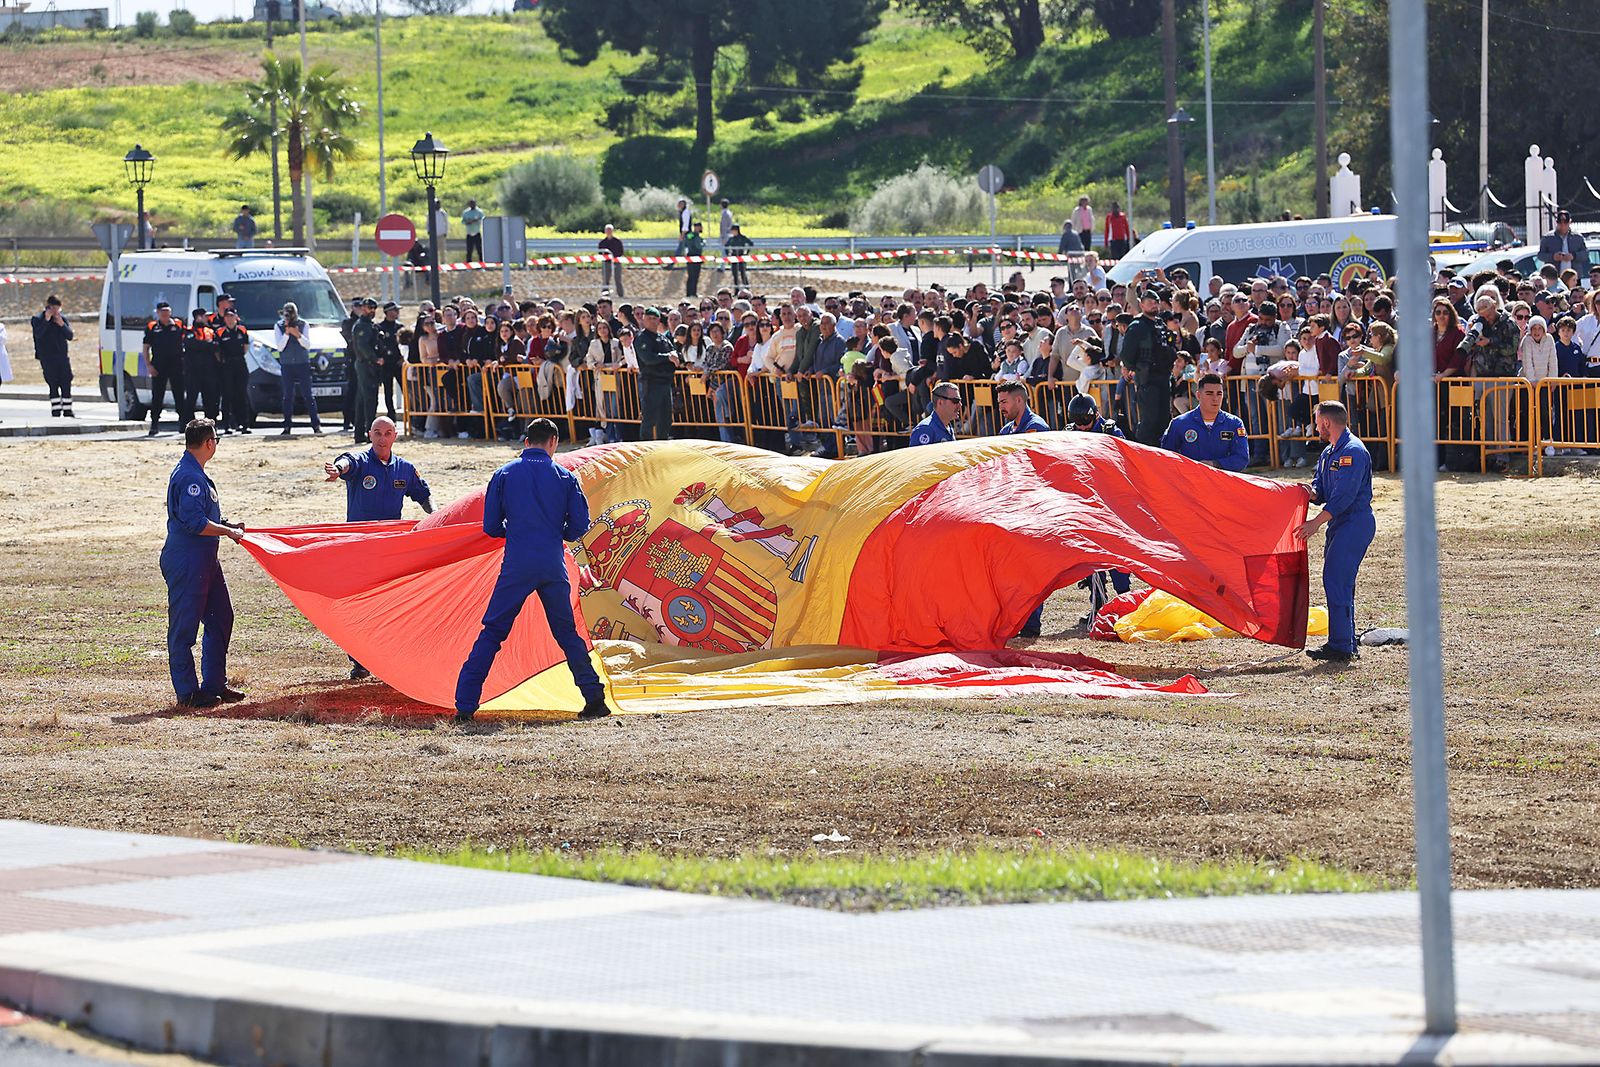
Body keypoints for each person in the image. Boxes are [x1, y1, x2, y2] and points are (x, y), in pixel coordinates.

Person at [453, 418, 612, 723]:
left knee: (493, 632)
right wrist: (556, 533)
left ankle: (466, 704)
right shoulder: (565, 477)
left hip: (517, 564)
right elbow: (579, 524)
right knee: (566, 633)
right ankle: (594, 698)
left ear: (526, 442)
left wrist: (516, 531)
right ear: (554, 442)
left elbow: (490, 526)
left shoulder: (504, 474)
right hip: (552, 565)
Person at [324, 416, 433, 679]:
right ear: (370, 435)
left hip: (391, 550)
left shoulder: (405, 469)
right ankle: (360, 659)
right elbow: (346, 462)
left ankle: (388, 656)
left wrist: (437, 517)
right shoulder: (361, 462)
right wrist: (337, 469)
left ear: (395, 435)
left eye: (387, 433)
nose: (382, 438)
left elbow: (423, 496)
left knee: (390, 603)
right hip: (360, 548)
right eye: (377, 433)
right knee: (359, 603)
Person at [161, 418, 248, 709]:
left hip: (205, 561)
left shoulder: (195, 472)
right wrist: (227, 532)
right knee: (184, 628)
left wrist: (227, 525)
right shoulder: (190, 477)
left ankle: (214, 684)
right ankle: (187, 692)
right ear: (209, 443)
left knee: (221, 618)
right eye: (216, 440)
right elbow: (195, 523)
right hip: (188, 560)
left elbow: (203, 516)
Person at [1294, 401, 1374, 665]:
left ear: (1326, 422)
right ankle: (1345, 641)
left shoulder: (1352, 451)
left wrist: (1315, 523)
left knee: (1336, 580)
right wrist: (1310, 492)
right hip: (1341, 524)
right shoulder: (1329, 452)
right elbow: (1322, 488)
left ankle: (1341, 646)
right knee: (1339, 581)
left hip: (1354, 522)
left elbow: (1344, 497)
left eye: (1318, 422)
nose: (1316, 427)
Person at [997, 381, 1052, 636]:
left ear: (1019, 400)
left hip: (1031, 507)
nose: (1001, 407)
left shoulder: (1035, 428)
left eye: (1004, 402)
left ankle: (1030, 623)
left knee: (1030, 568)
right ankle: (1016, 620)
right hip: (1011, 506)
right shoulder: (1006, 431)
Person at [1119, 284, 1176, 445]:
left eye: (1156, 302)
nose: (1153, 305)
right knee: (1149, 420)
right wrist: (1136, 369)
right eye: (1149, 302)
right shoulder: (1137, 326)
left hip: (1163, 377)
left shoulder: (1160, 324)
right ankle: (1143, 453)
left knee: (1163, 419)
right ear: (1141, 305)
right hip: (1147, 379)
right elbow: (1127, 355)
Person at [1160, 372, 1249, 471]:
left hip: (1221, 479)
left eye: (1219, 394)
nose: (1215, 398)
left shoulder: (1234, 424)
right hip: (1190, 478)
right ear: (1198, 395)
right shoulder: (1179, 423)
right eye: (1209, 393)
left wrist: (1215, 464)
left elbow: (1242, 458)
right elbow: (1167, 457)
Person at [274, 301, 323, 436]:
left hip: (302, 364)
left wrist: (297, 335)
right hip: (287, 365)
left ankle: (316, 424)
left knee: (308, 395)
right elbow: (280, 347)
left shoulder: (303, 324)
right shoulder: (278, 326)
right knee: (288, 396)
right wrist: (287, 333)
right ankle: (287, 425)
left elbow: (307, 344)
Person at [143, 301, 189, 434]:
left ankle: (183, 424)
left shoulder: (178, 325)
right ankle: (154, 425)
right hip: (159, 366)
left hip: (176, 365)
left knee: (179, 396)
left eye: (167, 312)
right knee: (157, 396)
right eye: (162, 312)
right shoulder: (152, 327)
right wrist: (149, 365)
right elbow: (146, 347)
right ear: (157, 313)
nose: (165, 314)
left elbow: (186, 342)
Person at [635, 306, 679, 440]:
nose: (652, 321)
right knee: (649, 418)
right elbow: (648, 358)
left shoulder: (662, 338)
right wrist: (667, 358)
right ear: (644, 319)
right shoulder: (642, 338)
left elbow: (674, 353)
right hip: (651, 382)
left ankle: (662, 443)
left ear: (659, 320)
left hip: (665, 382)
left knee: (666, 418)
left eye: (655, 318)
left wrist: (673, 357)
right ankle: (645, 447)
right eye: (649, 318)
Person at [31, 294, 75, 418]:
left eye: (58, 309)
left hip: (62, 357)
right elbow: (38, 334)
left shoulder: (61, 319)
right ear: (49, 307)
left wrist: (62, 324)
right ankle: (56, 410)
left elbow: (70, 336)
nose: (56, 312)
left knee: (66, 382)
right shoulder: (37, 319)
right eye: (54, 309)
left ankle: (67, 410)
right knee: (53, 383)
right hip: (47, 358)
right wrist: (46, 320)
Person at [215, 306, 253, 435]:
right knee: (227, 395)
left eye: (232, 316)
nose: (230, 319)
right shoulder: (220, 332)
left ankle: (244, 424)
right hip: (227, 365)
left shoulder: (242, 330)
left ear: (236, 317)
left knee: (241, 394)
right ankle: (227, 425)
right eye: (227, 317)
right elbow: (217, 351)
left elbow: (246, 347)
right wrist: (224, 361)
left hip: (240, 364)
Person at [349, 298, 381, 444]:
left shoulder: (368, 324)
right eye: (369, 308)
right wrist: (375, 359)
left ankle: (360, 433)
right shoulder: (361, 325)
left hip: (367, 364)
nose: (372, 310)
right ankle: (369, 433)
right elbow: (362, 346)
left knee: (362, 400)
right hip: (366, 364)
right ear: (363, 308)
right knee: (369, 400)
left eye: (374, 308)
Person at [182, 306, 221, 423]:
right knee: (191, 399)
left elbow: (216, 345)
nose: (207, 318)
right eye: (204, 316)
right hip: (193, 371)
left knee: (210, 399)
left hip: (208, 371)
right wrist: (207, 345)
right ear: (198, 317)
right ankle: (187, 423)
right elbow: (191, 344)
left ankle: (211, 423)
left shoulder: (210, 331)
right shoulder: (189, 331)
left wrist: (204, 345)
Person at [909, 381, 963, 446]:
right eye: (955, 400)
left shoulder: (947, 427)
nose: (960, 405)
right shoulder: (925, 429)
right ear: (940, 403)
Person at [1538, 210, 1590, 276]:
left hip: (1574, 277)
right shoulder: (1547, 238)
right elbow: (1540, 255)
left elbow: (1585, 254)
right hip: (1554, 276)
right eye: (1560, 222)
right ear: (1556, 222)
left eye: (1565, 222)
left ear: (1570, 222)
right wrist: (1553, 257)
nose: (1563, 225)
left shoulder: (1577, 237)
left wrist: (1573, 256)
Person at [598, 223, 626, 297]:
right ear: (605, 231)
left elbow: (621, 252)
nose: (608, 232)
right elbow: (600, 253)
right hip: (606, 263)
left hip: (616, 262)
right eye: (607, 230)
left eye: (610, 230)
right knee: (605, 279)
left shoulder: (618, 242)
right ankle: (605, 295)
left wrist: (615, 258)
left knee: (618, 279)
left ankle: (620, 295)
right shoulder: (602, 242)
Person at [724, 223, 752, 289]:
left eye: (732, 230)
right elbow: (726, 246)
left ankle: (746, 288)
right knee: (735, 274)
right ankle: (736, 289)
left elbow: (750, 244)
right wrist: (728, 255)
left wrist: (746, 253)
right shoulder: (731, 239)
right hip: (734, 257)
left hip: (741, 257)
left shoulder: (742, 238)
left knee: (743, 273)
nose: (731, 232)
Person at [684, 221, 705, 298]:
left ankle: (689, 293)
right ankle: (693, 293)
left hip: (690, 256)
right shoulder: (696, 237)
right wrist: (703, 243)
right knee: (694, 275)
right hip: (695, 256)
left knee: (691, 276)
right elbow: (698, 246)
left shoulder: (690, 235)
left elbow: (686, 242)